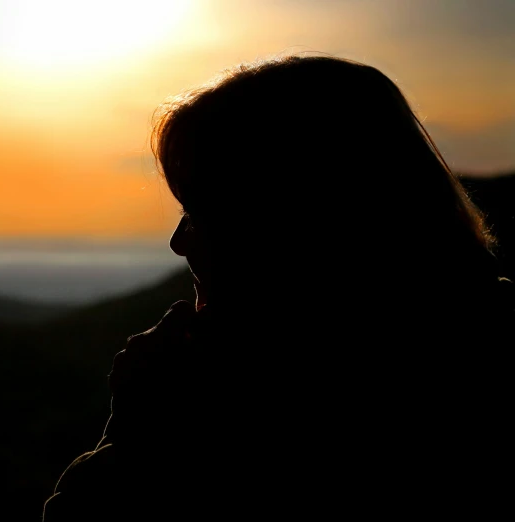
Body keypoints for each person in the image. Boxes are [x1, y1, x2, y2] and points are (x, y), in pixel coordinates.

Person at [43, 54, 513, 520]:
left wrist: (138, 430)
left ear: (292, 218)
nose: (178, 242)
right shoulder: (478, 339)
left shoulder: (289, 418)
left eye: (199, 212)